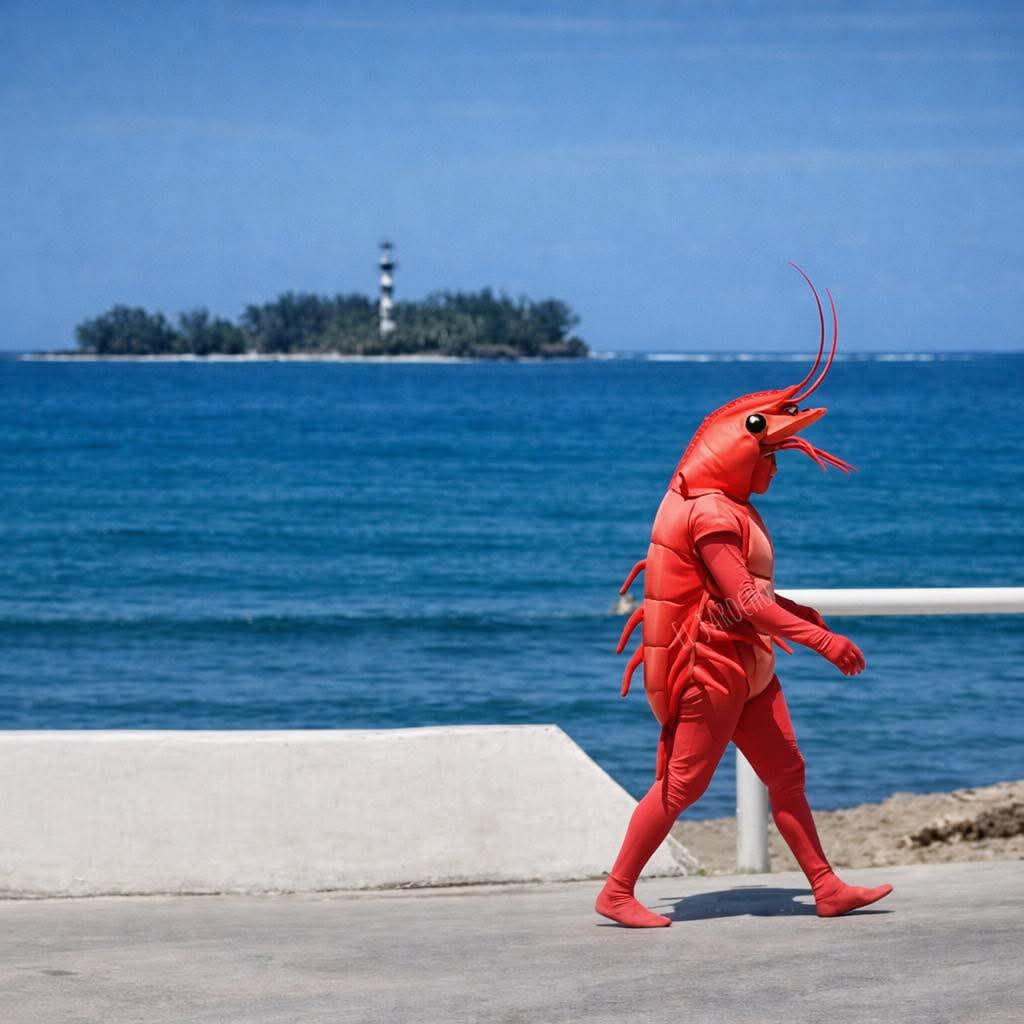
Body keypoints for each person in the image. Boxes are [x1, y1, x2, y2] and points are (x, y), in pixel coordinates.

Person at [598, 273, 893, 928]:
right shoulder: (710, 514)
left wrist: (798, 617)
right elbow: (744, 599)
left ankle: (825, 885)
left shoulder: (728, 507)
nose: (775, 459)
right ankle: (616, 890)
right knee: (682, 786)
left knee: (786, 771)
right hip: (707, 673)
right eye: (763, 441)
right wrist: (823, 639)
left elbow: (750, 598)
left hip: (746, 666)